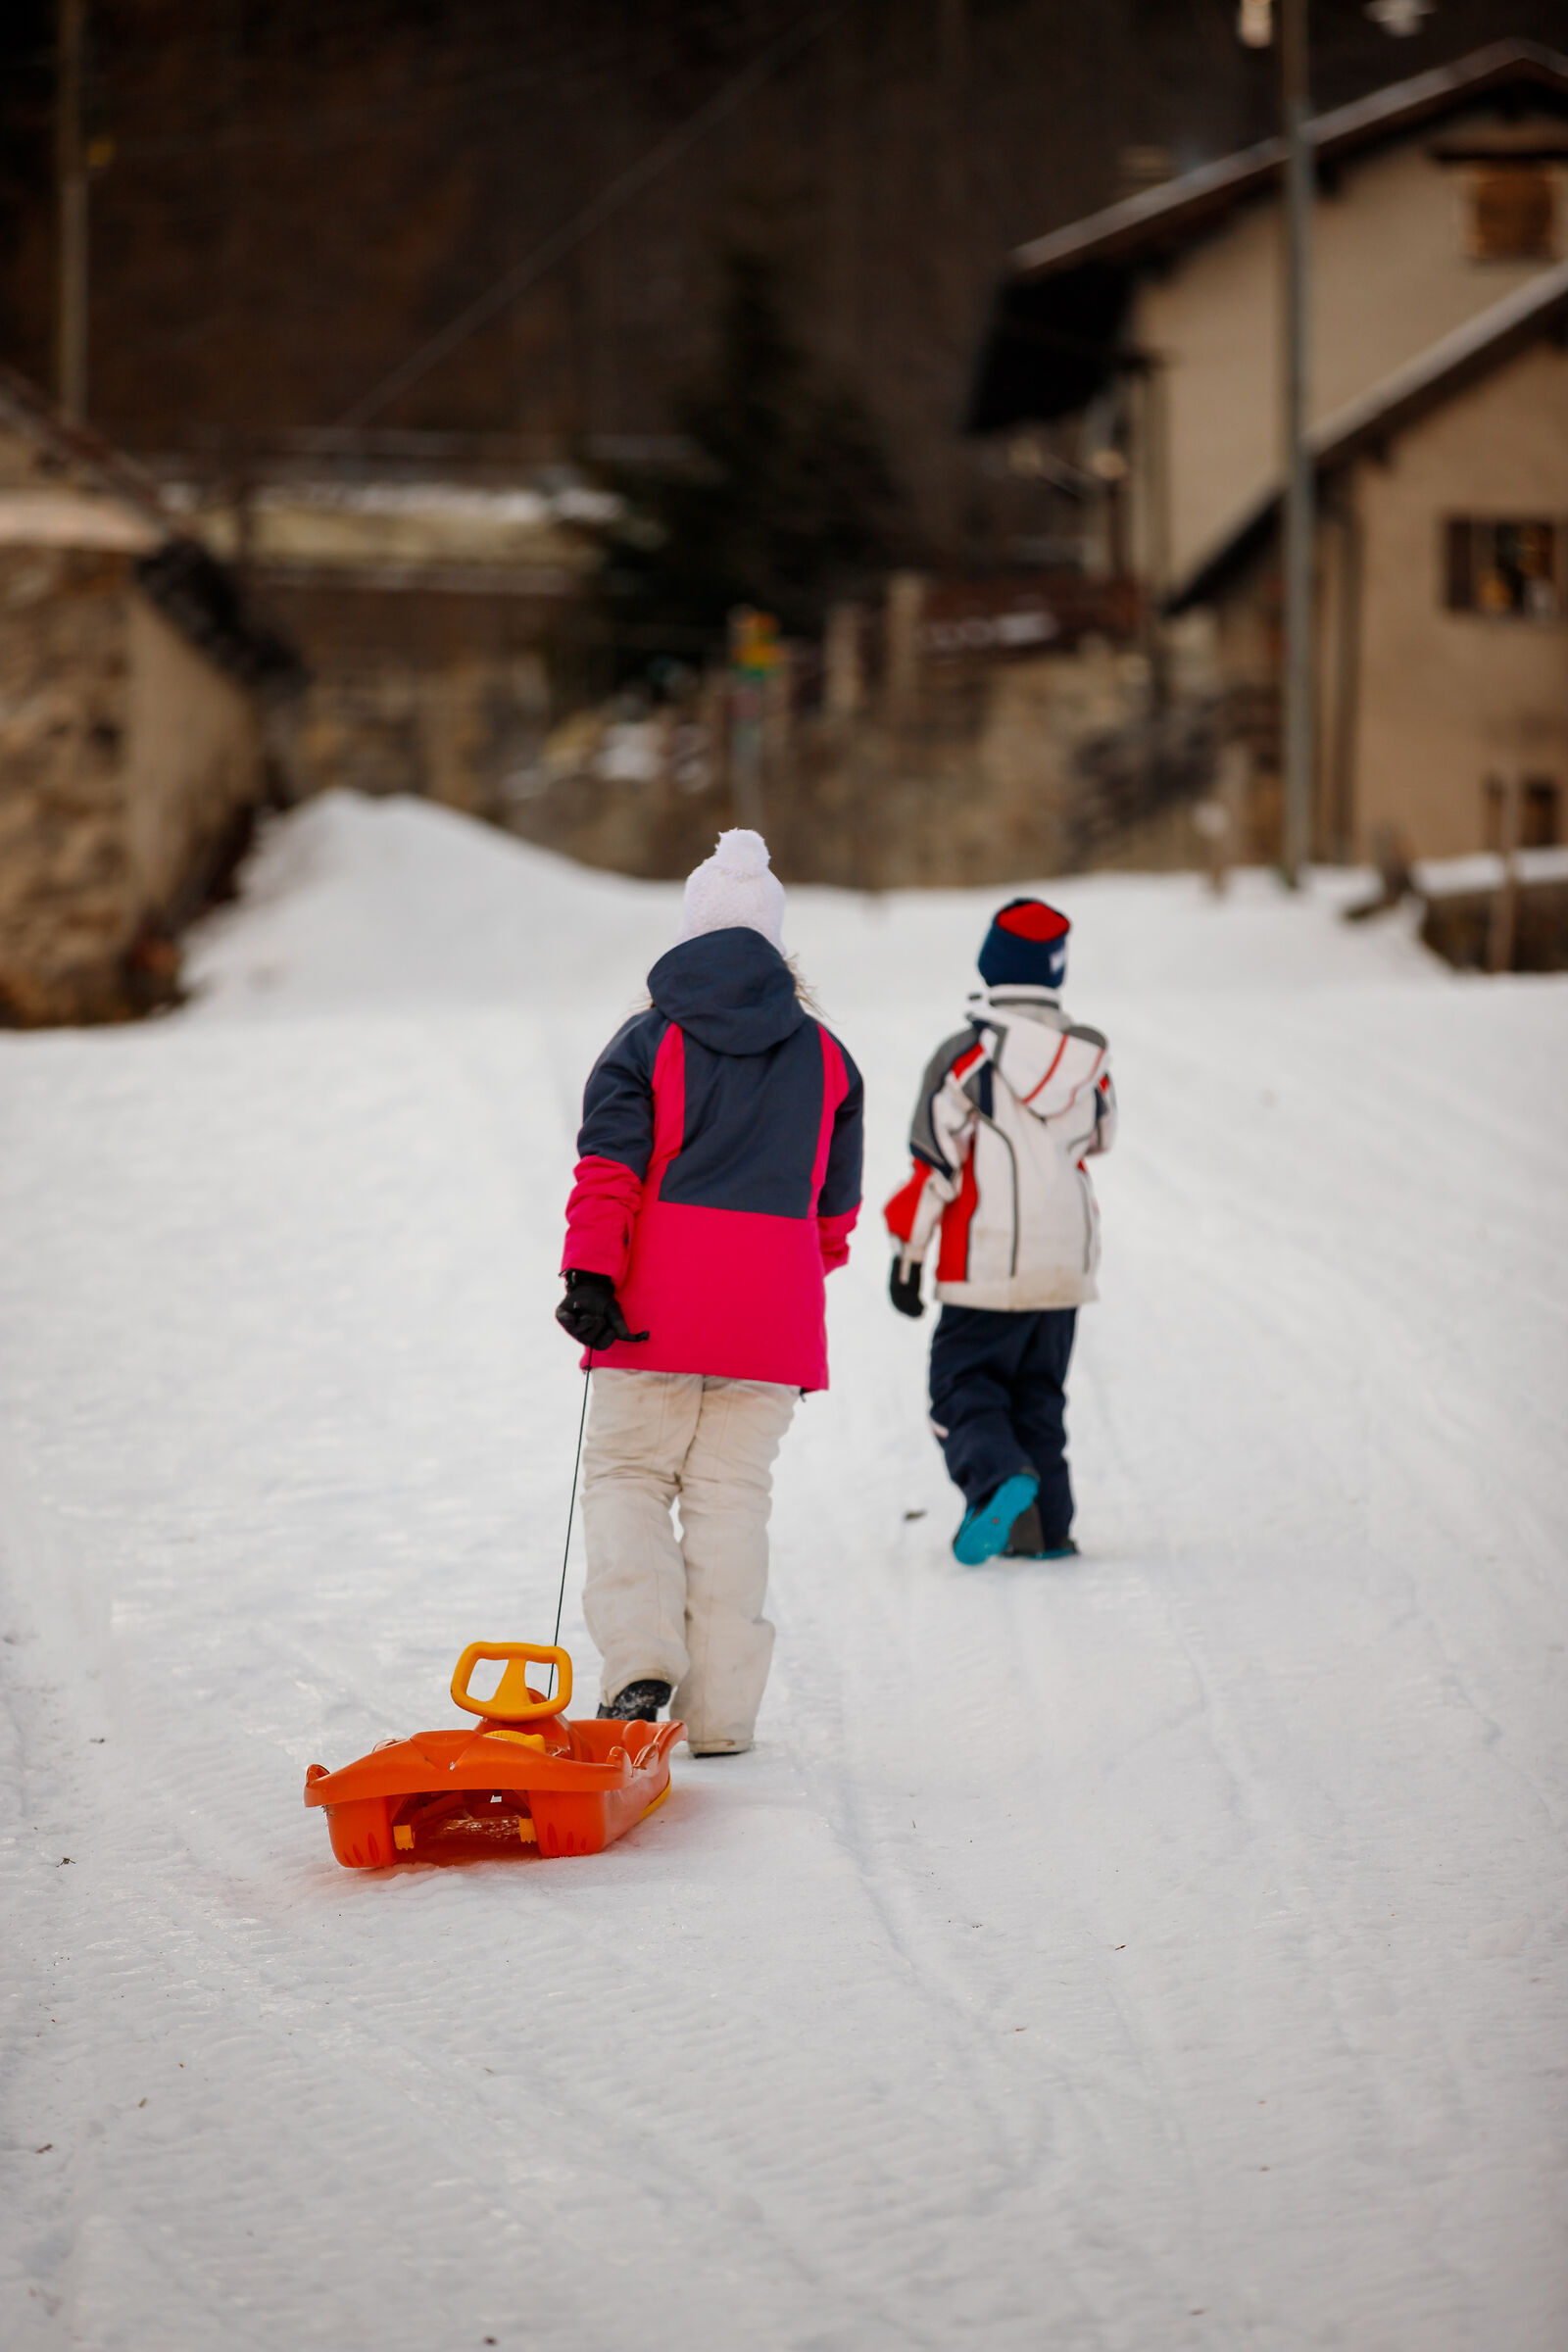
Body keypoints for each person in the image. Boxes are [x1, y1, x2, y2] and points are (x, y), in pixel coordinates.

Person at [556, 829, 863, 1754]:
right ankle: (723, 1717)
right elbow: (834, 1212)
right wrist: (776, 1281)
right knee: (731, 1498)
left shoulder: (647, 1041)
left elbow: (608, 1169)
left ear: (689, 938)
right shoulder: (829, 1058)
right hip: (771, 1319)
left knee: (629, 1476)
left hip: (651, 1306)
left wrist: (590, 1271)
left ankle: (642, 1659)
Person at [884, 897, 1115, 1565]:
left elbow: (935, 1165)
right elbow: (1102, 1136)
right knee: (1039, 1399)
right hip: (1066, 1266)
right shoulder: (1089, 1058)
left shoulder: (967, 1059)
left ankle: (995, 1478)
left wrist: (908, 1256)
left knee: (960, 1390)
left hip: (984, 1266)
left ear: (992, 963)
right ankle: (1047, 1532)